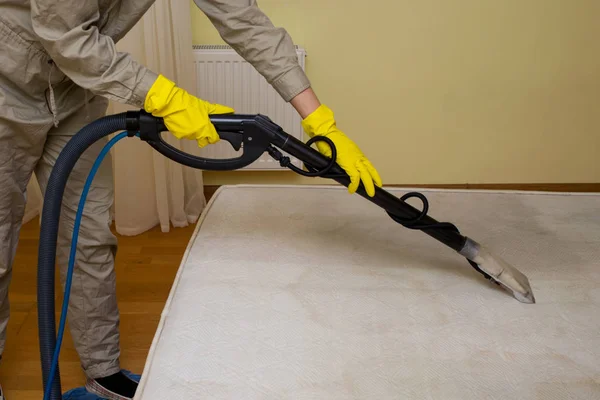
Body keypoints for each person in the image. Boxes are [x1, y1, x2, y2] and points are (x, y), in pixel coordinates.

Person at [0, 0, 382, 398]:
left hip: (76, 89)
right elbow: (66, 36)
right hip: (6, 84)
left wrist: (319, 119)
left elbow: (244, 20)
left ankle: (102, 374)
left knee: (88, 234)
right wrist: (168, 98)